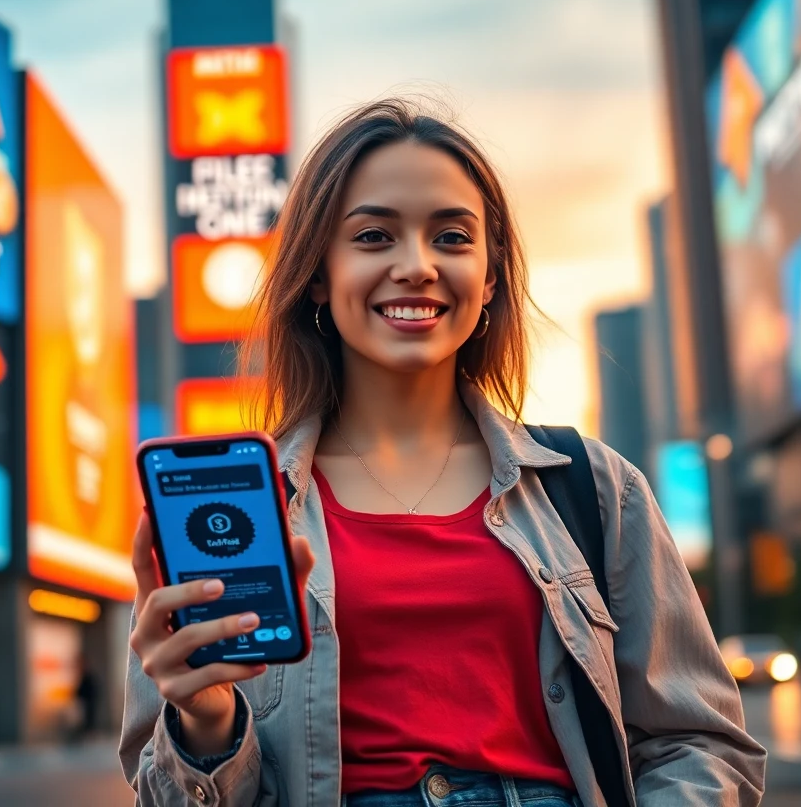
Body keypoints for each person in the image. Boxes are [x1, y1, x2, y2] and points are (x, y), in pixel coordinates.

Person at [120, 99, 767, 806]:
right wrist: (206, 718)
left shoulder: (595, 488)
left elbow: (703, 744)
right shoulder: (239, 513)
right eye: (373, 236)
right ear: (316, 274)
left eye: (453, 237)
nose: (417, 266)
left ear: (489, 277)